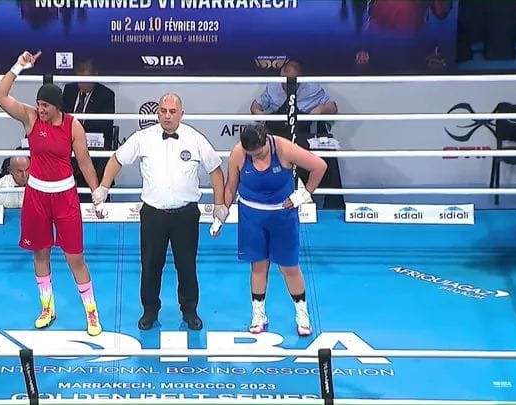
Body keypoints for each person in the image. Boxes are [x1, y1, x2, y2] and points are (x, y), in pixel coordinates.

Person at [91, 93, 228, 331]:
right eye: (163, 111)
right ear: (157, 113)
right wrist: (103, 187)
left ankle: (189, 311)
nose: (167, 115)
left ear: (181, 114)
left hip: (186, 215)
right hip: (153, 215)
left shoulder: (195, 138)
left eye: (172, 111)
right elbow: (116, 160)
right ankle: (150, 311)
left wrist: (219, 205)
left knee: (187, 266)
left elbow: (215, 170)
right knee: (150, 266)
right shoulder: (142, 138)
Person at [0, 50, 104, 336]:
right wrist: (18, 66)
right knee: (40, 254)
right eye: (38, 104)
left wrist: (97, 193)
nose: (40, 109)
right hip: (37, 196)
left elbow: (84, 162)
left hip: (65, 196)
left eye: (44, 105)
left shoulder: (73, 126)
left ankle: (91, 313)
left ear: (56, 107)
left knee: (75, 257)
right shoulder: (30, 118)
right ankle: (47, 308)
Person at [222, 123, 327, 336]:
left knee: (289, 267)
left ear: (266, 142)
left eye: (259, 153)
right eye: (251, 154)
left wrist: (304, 194)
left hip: (282, 216)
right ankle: (258, 314)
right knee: (258, 266)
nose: (256, 157)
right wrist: (222, 212)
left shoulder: (283, 148)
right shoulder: (238, 153)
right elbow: (231, 186)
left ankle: (302, 313)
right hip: (251, 216)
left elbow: (319, 166)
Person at [250, 60, 343, 209]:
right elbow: (255, 106)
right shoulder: (272, 87)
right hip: (278, 138)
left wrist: (321, 109)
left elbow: (333, 107)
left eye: (292, 81)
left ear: (300, 78)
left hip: (304, 137)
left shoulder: (312, 88)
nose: (287, 85)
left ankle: (332, 207)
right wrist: (260, 114)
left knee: (327, 157)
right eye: (284, 81)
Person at [62, 59, 116, 203]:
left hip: (92, 145)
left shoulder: (106, 95)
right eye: (79, 78)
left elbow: (105, 125)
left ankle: (97, 199)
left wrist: (78, 130)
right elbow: (61, 117)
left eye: (85, 78)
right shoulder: (69, 90)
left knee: (97, 160)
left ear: (94, 75)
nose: (82, 83)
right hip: (68, 143)